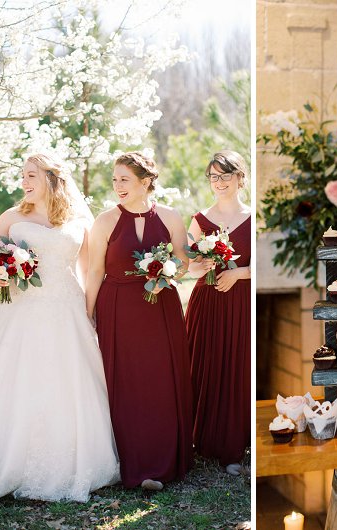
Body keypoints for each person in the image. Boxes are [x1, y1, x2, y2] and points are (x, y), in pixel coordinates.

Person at [0, 153, 119, 502]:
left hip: (66, 306)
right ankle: (6, 454)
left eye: (31, 175)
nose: (24, 182)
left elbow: (91, 270)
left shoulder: (78, 218)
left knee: (68, 377)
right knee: (19, 375)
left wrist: (89, 312)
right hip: (21, 309)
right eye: (22, 176)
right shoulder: (13, 217)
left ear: (51, 177)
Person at [86, 151, 193, 490]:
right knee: (127, 381)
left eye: (125, 180)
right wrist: (88, 314)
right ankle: (135, 463)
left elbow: (184, 259)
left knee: (161, 379)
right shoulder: (104, 221)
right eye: (115, 179)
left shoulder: (171, 216)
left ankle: (164, 461)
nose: (117, 186)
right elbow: (95, 270)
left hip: (160, 305)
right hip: (118, 306)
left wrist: (167, 268)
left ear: (145, 182)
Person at [185, 151, 251, 475]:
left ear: (240, 178)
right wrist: (204, 264)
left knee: (235, 367)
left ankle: (232, 446)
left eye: (225, 176)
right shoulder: (199, 220)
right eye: (214, 176)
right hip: (207, 303)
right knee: (205, 364)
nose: (219, 182)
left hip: (240, 303)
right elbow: (189, 267)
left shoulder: (253, 218)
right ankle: (199, 440)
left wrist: (239, 274)